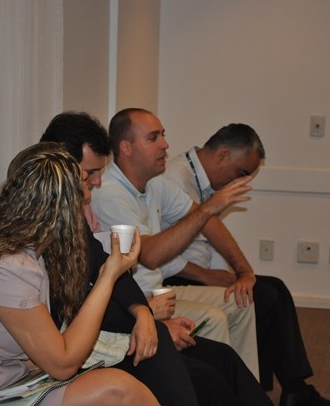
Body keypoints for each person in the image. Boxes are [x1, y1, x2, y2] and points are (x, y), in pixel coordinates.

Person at [40, 111, 272, 406]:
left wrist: (142, 314)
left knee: (223, 356)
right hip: (99, 343)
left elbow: (109, 272)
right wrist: (144, 321)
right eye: (89, 174)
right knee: (206, 377)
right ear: (61, 167)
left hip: (126, 315)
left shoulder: (79, 211)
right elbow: (78, 312)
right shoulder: (54, 223)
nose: (97, 182)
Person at [0, 146, 159, 406]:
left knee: (121, 382)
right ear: (63, 210)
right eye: (81, 196)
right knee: (120, 389)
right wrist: (108, 276)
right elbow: (63, 364)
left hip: (11, 381)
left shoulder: (27, 254)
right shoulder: (10, 266)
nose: (87, 202)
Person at [163, 123, 330, 406]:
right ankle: (263, 389)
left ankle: (293, 388)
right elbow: (158, 251)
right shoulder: (173, 179)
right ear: (223, 155)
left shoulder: (202, 182)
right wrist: (209, 276)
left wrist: (240, 273)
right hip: (174, 276)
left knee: (275, 289)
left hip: (196, 272)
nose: (242, 182)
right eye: (241, 173)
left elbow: (211, 236)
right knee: (262, 296)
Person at [90, 108, 260, 377]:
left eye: (163, 135)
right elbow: (149, 255)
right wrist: (209, 209)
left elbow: (207, 222)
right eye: (153, 138)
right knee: (215, 320)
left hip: (158, 291)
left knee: (242, 300)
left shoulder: (154, 182)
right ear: (126, 148)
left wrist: (245, 271)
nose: (165, 144)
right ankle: (218, 386)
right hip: (136, 302)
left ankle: (247, 387)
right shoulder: (109, 192)